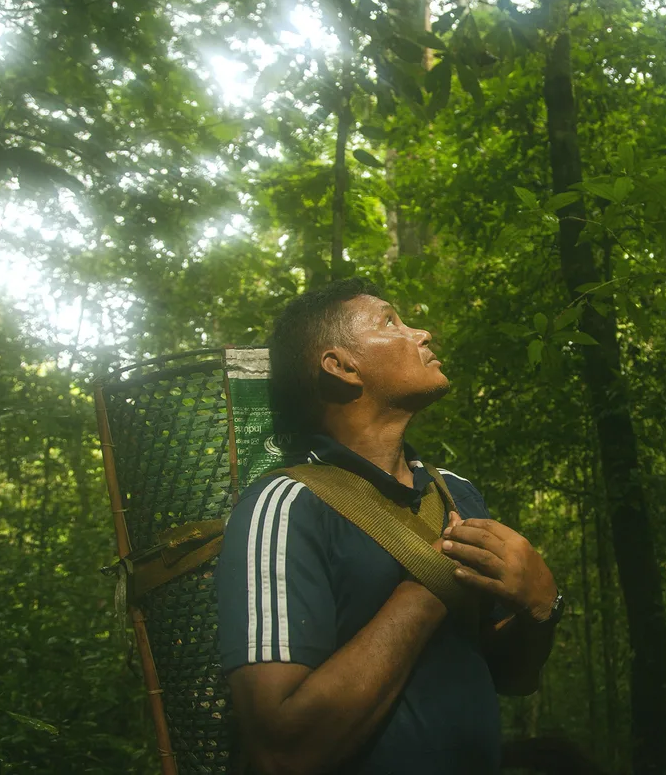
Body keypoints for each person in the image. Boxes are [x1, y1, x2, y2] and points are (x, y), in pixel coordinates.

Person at [216, 278, 563, 775]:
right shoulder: (286, 505)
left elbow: (511, 676)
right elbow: (283, 752)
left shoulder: (456, 494)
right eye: (390, 321)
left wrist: (541, 606)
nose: (422, 333)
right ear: (341, 366)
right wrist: (427, 591)